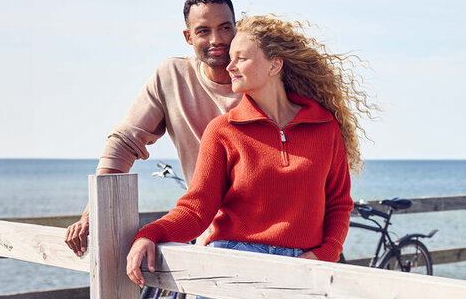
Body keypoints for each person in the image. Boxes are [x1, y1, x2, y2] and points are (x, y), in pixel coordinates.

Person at [125, 14, 376, 287]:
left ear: (274, 64)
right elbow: (197, 210)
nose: (230, 66)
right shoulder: (222, 131)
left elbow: (339, 203)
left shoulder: (325, 127)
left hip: (303, 270)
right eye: (231, 57)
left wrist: (326, 254)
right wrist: (149, 234)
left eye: (241, 58)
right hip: (231, 266)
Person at [65, 0, 244, 257]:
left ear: (237, 29)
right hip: (212, 241)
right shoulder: (173, 76)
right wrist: (93, 213)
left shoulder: (263, 78)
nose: (216, 39)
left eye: (225, 28)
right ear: (188, 36)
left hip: (275, 242)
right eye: (203, 31)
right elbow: (124, 142)